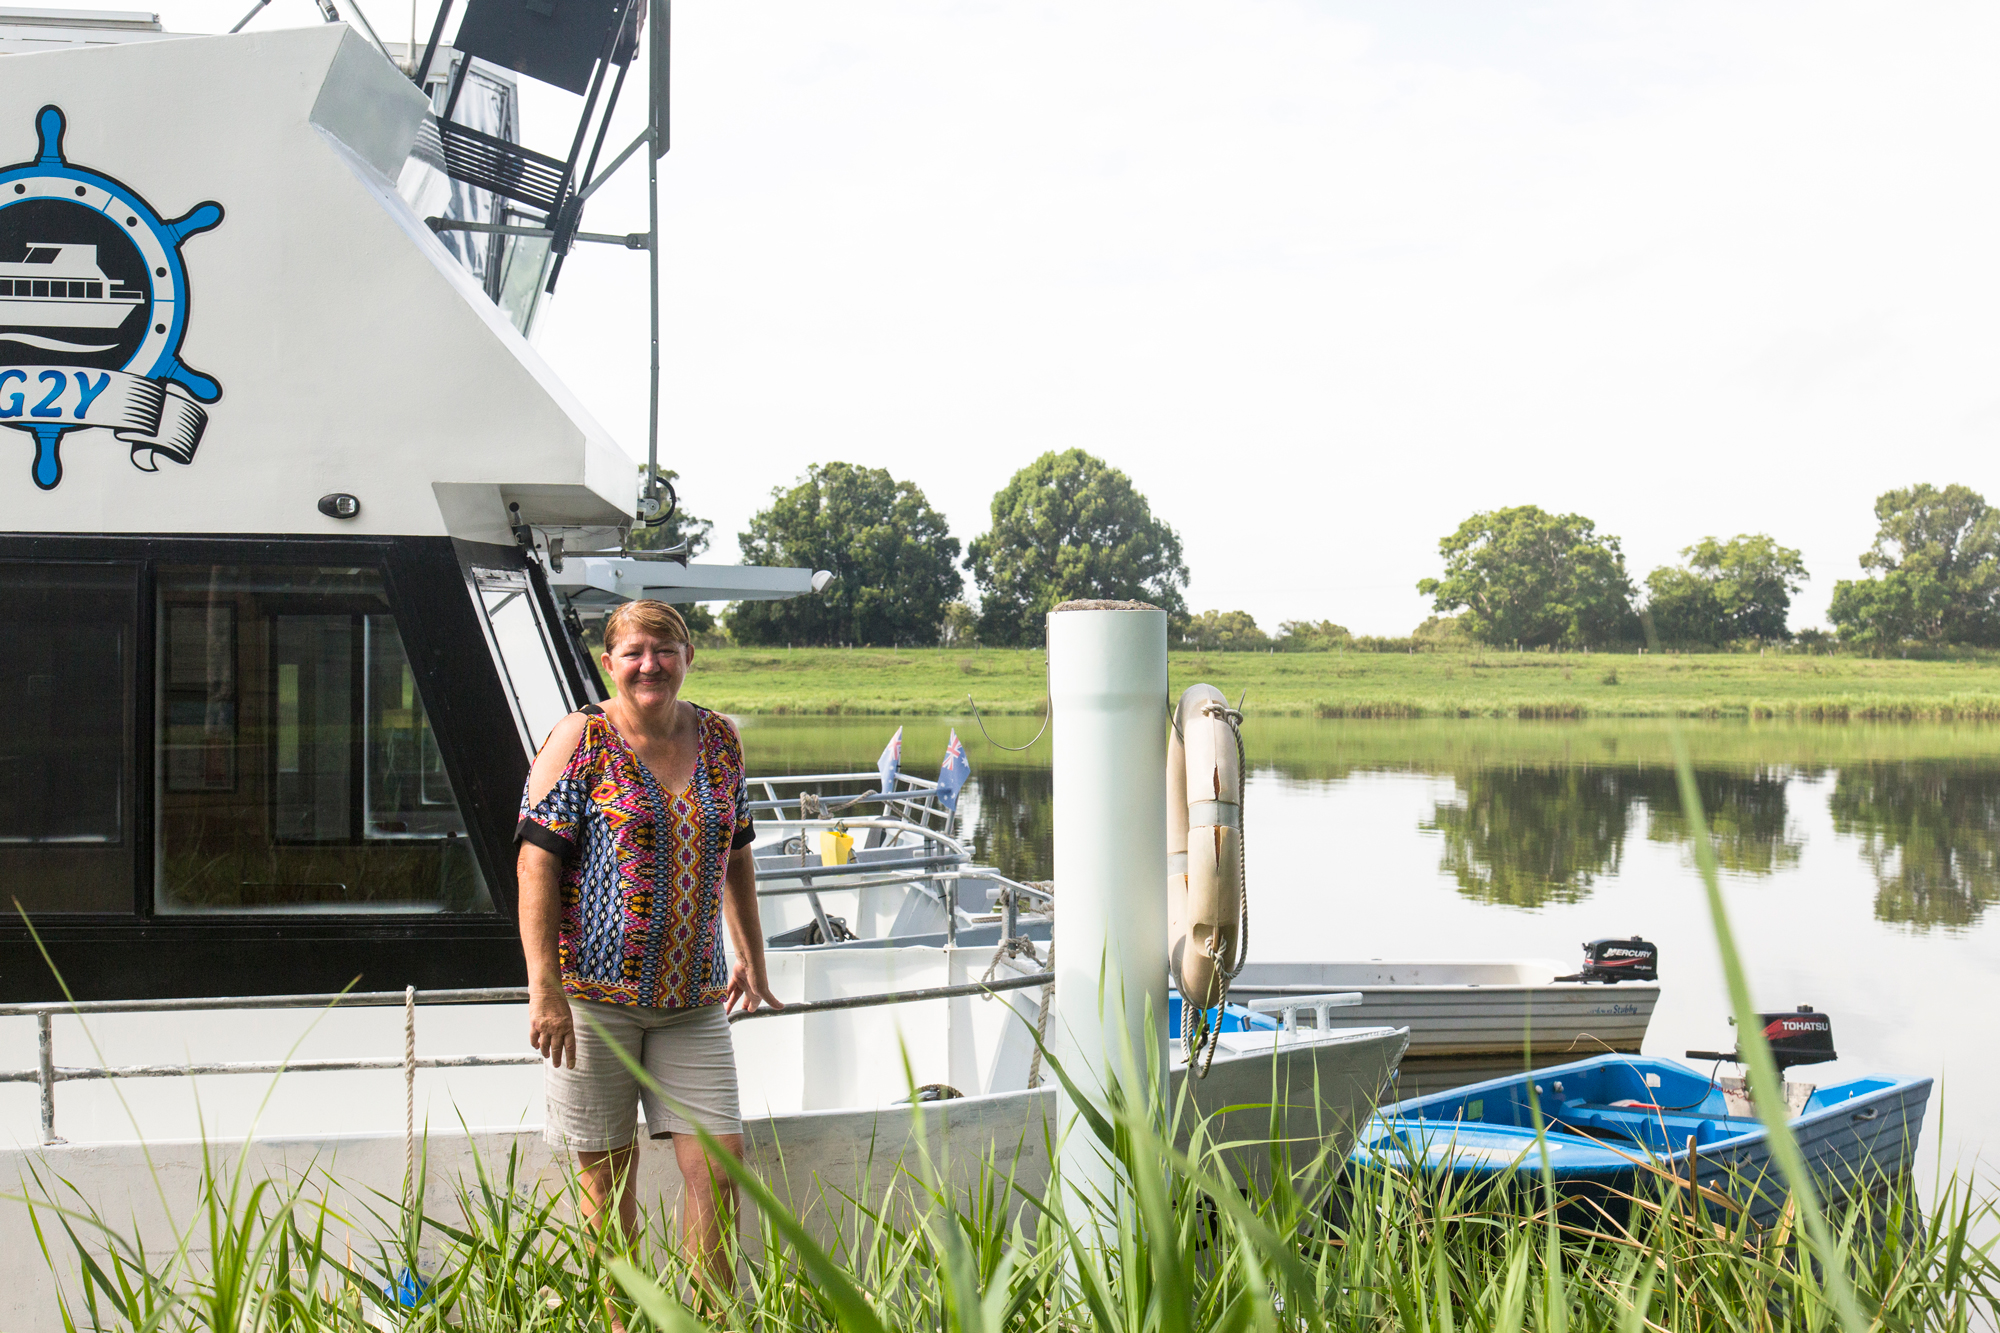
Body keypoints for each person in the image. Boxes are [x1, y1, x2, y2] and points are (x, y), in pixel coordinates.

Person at [515, 598, 781, 1297]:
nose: (649, 664)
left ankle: (709, 1315)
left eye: (664, 650)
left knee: (722, 1168)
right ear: (609, 663)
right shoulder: (579, 739)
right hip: (592, 1003)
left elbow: (739, 849)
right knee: (607, 1183)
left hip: (694, 999)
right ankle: (622, 1318)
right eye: (633, 652)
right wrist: (544, 988)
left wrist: (749, 949)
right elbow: (535, 864)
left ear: (688, 658)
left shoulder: (720, 738)